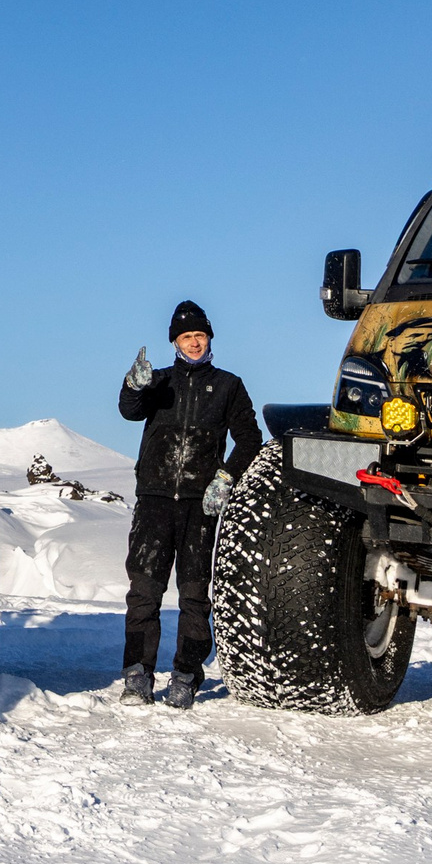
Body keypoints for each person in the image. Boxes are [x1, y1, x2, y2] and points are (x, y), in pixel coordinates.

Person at [116, 300, 262, 708]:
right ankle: (137, 675)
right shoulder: (159, 382)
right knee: (144, 591)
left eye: (200, 335)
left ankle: (185, 675)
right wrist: (134, 384)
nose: (194, 342)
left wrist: (225, 477)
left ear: (209, 338)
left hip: (201, 504)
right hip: (155, 500)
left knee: (195, 594)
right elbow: (129, 411)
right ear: (175, 342)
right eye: (186, 336)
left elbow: (250, 438)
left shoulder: (229, 385)